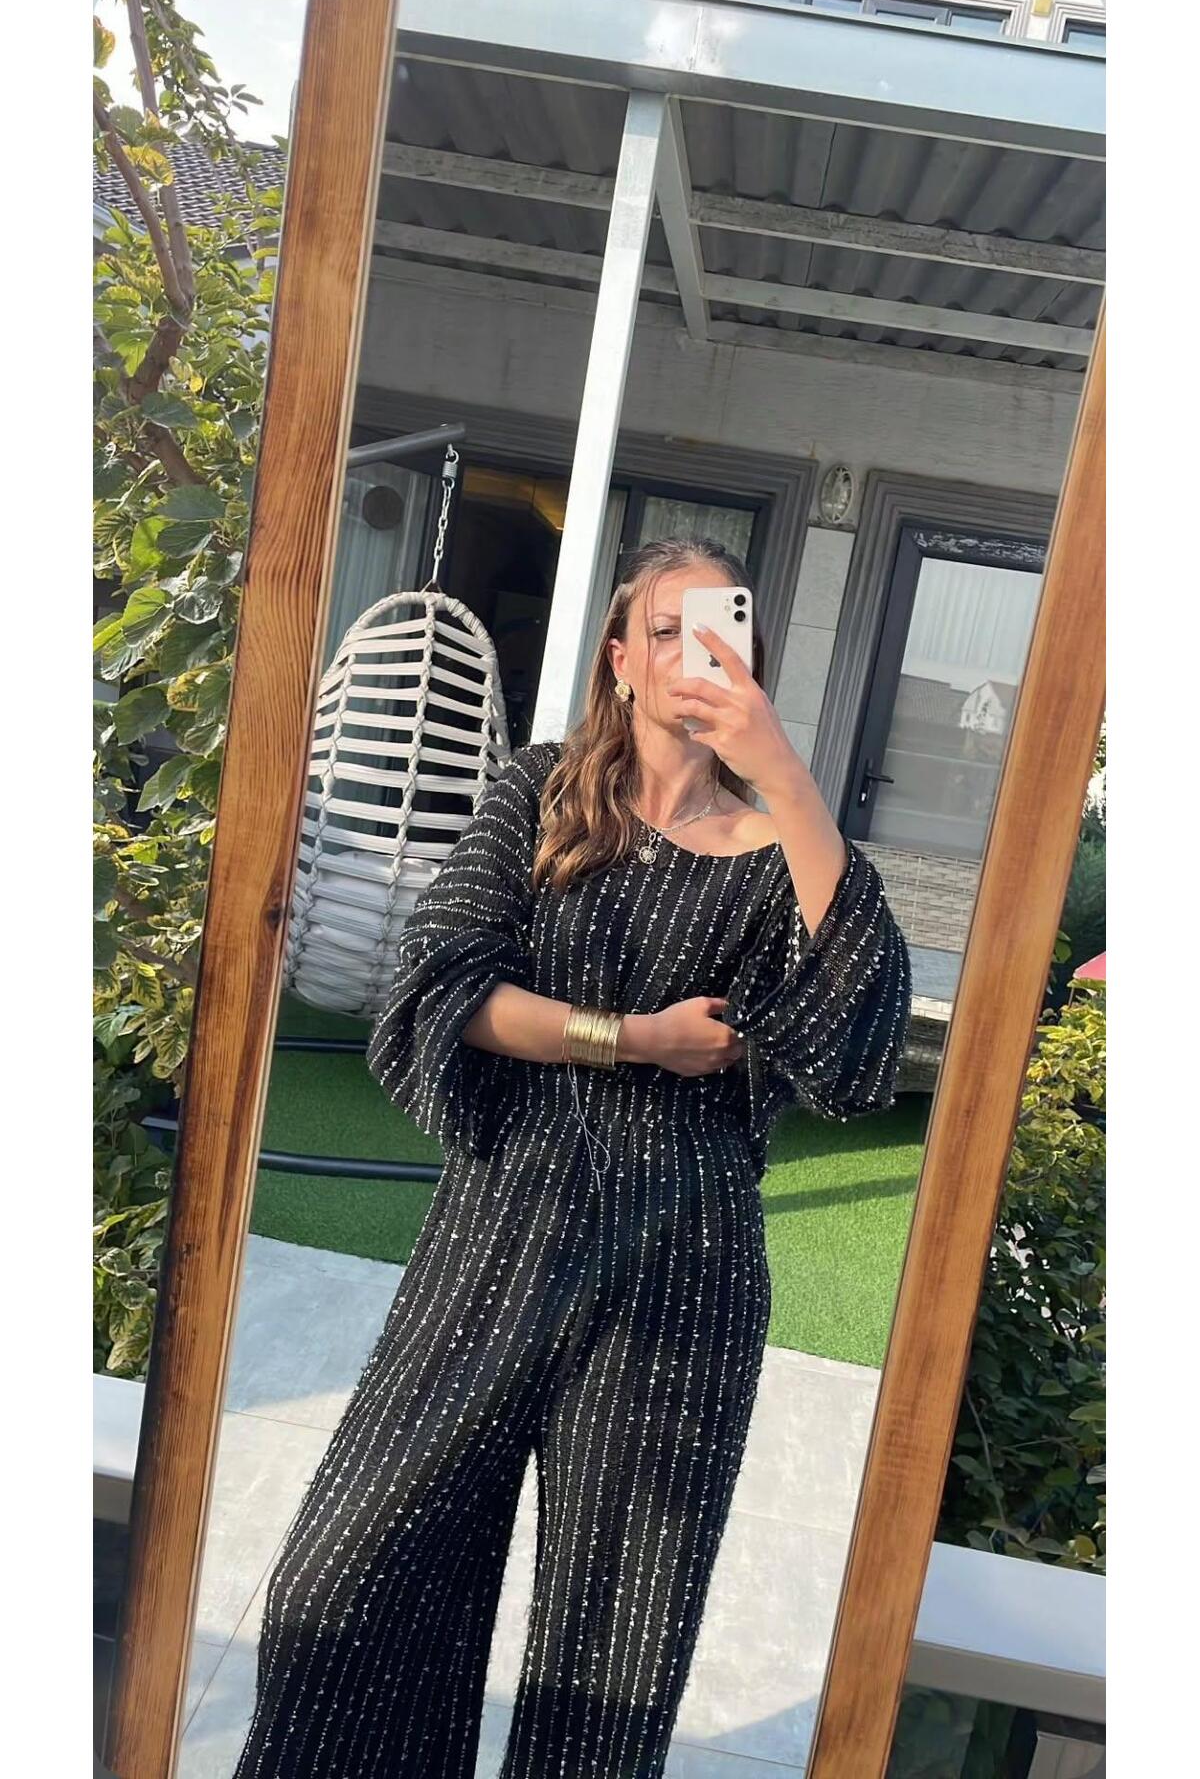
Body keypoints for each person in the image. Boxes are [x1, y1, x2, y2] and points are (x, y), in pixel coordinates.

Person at [233, 537, 913, 1779]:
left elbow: (861, 1042)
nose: (694, 656)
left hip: (682, 1278)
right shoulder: (538, 794)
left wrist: (786, 776)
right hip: (500, 1235)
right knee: (343, 1586)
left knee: (610, 1663)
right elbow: (439, 984)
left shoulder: (782, 853)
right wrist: (637, 1039)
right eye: (665, 630)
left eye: (721, 633)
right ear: (619, 657)